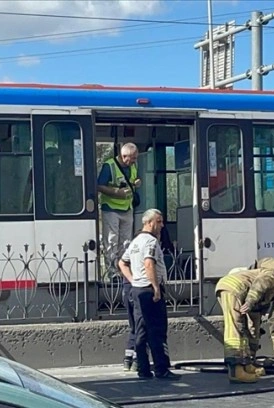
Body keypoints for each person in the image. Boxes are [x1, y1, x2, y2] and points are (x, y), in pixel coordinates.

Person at [118, 208, 180, 380]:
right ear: (149, 222)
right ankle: (161, 369)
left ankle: (143, 370)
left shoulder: (135, 241)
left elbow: (122, 263)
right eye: (159, 221)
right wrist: (156, 287)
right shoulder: (151, 242)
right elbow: (149, 264)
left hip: (137, 290)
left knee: (141, 331)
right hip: (149, 289)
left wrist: (133, 280)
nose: (162, 225)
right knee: (157, 330)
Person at [97, 142, 141, 369]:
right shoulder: (108, 165)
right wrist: (116, 191)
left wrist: (134, 184)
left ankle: (124, 272)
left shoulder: (132, 166)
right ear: (122, 155)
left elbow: (133, 181)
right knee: (112, 242)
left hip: (127, 208)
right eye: (129, 159)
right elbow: (99, 186)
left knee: (127, 243)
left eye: (133, 160)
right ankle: (112, 272)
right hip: (111, 208)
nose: (131, 163)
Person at [216, 266, 274, 384]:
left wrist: (251, 355)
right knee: (235, 327)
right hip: (233, 289)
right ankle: (236, 370)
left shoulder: (269, 295)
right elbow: (260, 285)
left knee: (244, 328)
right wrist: (251, 300)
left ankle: (245, 364)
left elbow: (254, 323)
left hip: (238, 291)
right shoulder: (273, 277)